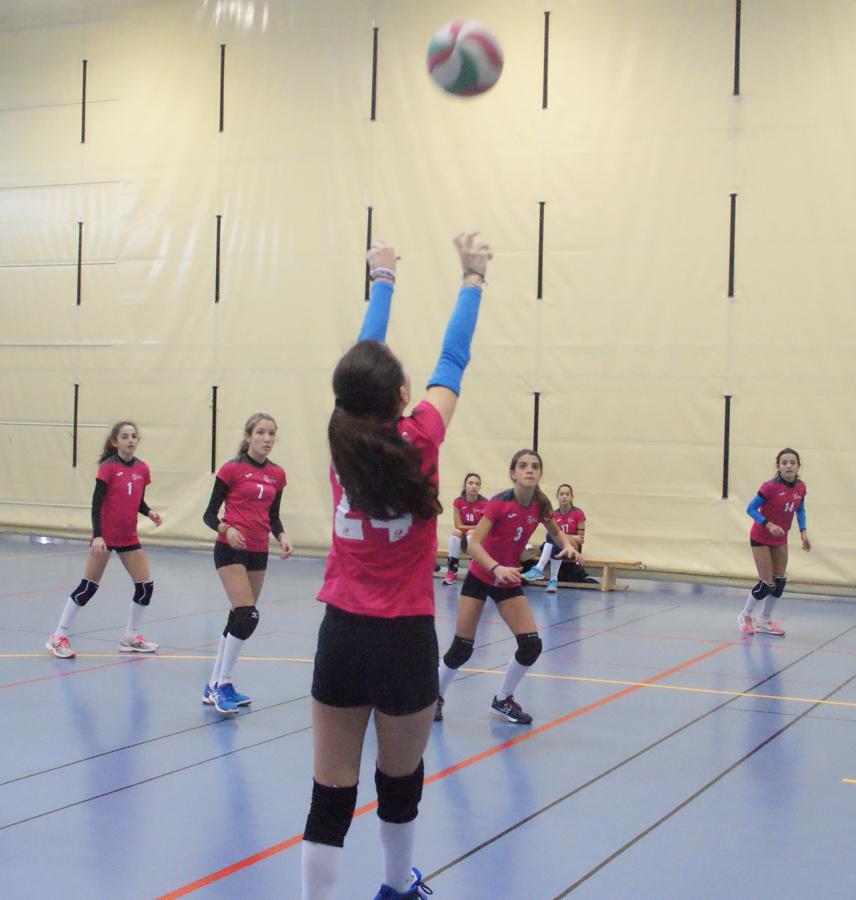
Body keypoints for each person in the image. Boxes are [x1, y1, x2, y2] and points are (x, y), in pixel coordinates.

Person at [300, 232, 491, 900]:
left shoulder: (341, 440)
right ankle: (394, 885)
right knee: (399, 782)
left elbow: (361, 364)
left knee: (330, 791)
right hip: (405, 637)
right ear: (402, 393)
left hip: (342, 634)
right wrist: (472, 278)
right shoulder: (423, 437)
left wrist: (382, 279)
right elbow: (454, 358)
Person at [435, 450, 580, 725]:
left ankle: (502, 700)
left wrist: (568, 545)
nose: (529, 470)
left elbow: (555, 530)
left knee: (531, 645)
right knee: (462, 647)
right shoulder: (499, 503)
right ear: (513, 473)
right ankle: (434, 696)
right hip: (482, 575)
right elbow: (473, 546)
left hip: (508, 579)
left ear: (540, 473)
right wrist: (495, 567)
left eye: (535, 466)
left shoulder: (540, 504)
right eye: (523, 466)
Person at [46, 421, 162, 658]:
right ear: (115, 442)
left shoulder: (142, 469)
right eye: (125, 436)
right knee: (88, 587)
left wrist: (148, 511)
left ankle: (131, 636)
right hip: (106, 537)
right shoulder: (108, 468)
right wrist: (98, 535)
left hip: (128, 536)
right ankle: (58, 636)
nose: (130, 440)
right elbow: (96, 503)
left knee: (145, 587)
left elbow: (136, 499)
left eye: (133, 436)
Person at [202, 413, 292, 715]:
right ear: (249, 436)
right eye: (261, 432)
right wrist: (227, 529)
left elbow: (273, 516)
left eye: (272, 433)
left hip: (258, 551)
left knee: (238, 617)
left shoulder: (277, 474)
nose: (267, 439)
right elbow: (209, 514)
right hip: (230, 549)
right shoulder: (232, 469)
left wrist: (282, 537)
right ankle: (223, 684)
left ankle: (213, 684)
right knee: (247, 615)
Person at [738, 448, 810, 637]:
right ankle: (745, 615)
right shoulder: (769, 487)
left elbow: (800, 509)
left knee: (779, 583)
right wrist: (768, 524)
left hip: (780, 538)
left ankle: (765, 620)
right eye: (784, 463)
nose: (788, 466)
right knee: (766, 584)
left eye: (792, 462)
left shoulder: (800, 487)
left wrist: (803, 531)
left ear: (798, 466)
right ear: (778, 466)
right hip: (761, 537)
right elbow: (750, 509)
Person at [521, 483, 593, 591]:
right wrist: (570, 536)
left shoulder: (578, 513)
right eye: (562, 494)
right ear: (557, 496)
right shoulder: (554, 514)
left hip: (572, 548)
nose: (564, 497)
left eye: (567, 494)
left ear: (572, 497)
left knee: (552, 538)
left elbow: (580, 539)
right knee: (553, 541)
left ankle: (539, 569)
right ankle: (553, 580)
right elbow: (554, 535)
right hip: (558, 546)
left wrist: (565, 537)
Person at [443, 472, 488, 584]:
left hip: (479, 539)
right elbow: (458, 525)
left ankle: (474, 572)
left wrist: (470, 529)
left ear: (480, 487)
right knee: (456, 532)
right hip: (465, 537)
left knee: (471, 533)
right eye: (471, 483)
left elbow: (483, 526)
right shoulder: (458, 501)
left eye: (477, 484)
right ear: (465, 485)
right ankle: (451, 571)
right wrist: (472, 528)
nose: (474, 486)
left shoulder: (485, 503)